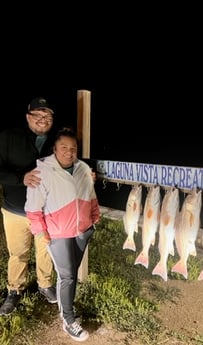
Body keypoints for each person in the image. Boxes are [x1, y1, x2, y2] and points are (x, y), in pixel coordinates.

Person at [25, 127, 100, 342]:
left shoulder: (83, 168)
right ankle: (68, 320)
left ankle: (69, 306)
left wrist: (94, 217)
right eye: (64, 147)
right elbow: (33, 208)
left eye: (73, 148)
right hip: (58, 233)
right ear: (54, 148)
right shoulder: (42, 172)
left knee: (71, 274)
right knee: (66, 276)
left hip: (82, 231)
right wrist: (41, 233)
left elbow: (90, 194)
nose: (69, 152)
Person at [0, 97, 58, 315]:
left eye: (48, 116)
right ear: (28, 117)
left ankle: (45, 284)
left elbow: (71, 163)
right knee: (18, 253)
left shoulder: (57, 140)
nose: (43, 120)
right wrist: (20, 179)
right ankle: (14, 290)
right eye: (38, 115)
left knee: (46, 251)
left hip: (46, 212)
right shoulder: (8, 138)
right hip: (15, 209)